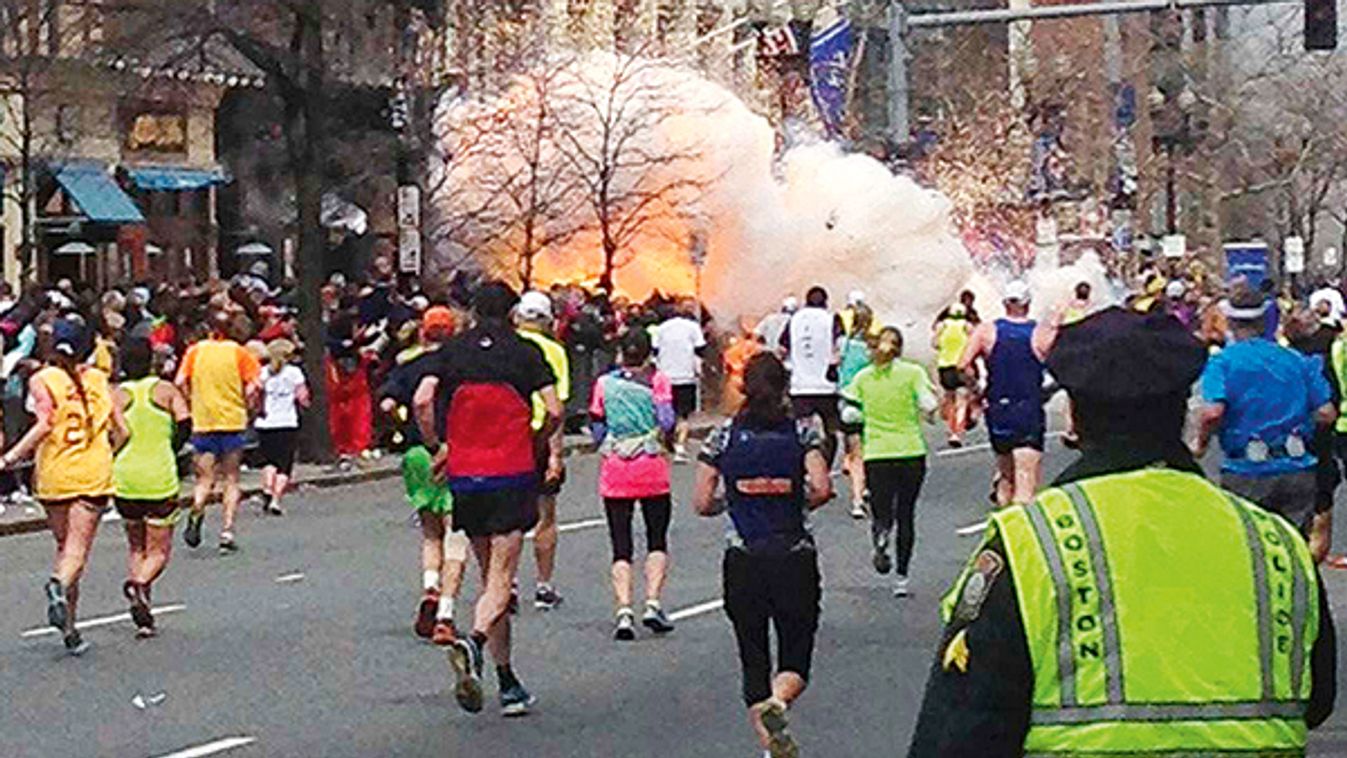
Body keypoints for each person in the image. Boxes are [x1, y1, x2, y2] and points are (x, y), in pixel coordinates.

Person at [908, 306, 1336, 756]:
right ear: (1180, 410)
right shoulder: (1275, 542)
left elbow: (960, 728)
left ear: (1075, 414)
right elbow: (1317, 697)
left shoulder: (1031, 542)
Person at [413, 282, 562, 718]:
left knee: (487, 578)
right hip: (511, 471)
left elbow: (423, 399)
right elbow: (553, 411)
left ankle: (508, 680)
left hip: (466, 474)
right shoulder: (525, 352)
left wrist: (438, 444)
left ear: (474, 312)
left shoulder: (452, 351)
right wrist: (535, 441)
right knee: (503, 579)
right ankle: (474, 643)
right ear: (513, 313)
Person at [693, 352, 833, 758]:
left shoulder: (722, 436)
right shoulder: (803, 433)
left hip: (743, 558)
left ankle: (771, 745)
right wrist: (797, 500)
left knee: (753, 656)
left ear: (743, 388)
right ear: (784, 388)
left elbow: (702, 501)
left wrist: (733, 500)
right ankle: (779, 703)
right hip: (793, 554)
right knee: (795, 657)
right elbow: (821, 487)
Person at [0, 318, 127, 655]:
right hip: (91, 473)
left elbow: (43, 424)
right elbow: (123, 431)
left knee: (64, 548)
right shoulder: (100, 379)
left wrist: (10, 457)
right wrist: (109, 453)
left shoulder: (42, 379)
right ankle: (58, 588)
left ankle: (70, 628)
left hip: (54, 472)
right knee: (76, 551)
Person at [1196, 285, 1336, 539]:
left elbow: (1213, 413)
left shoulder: (1223, 362)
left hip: (1246, 470)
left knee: (1252, 548)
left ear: (1230, 321)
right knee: (1296, 547)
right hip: (1296, 465)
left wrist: (1201, 443)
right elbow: (1326, 413)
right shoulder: (1297, 359)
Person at [380, 306, 467, 646]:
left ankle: (430, 586)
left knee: (430, 533)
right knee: (455, 533)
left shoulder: (408, 365)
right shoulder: (460, 366)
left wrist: (400, 425)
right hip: (452, 452)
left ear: (423, 332)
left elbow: (387, 403)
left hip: (416, 453)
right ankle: (445, 614)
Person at [590, 329, 678, 640]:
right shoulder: (657, 381)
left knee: (621, 544)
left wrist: (610, 442)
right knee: (656, 538)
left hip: (616, 469)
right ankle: (652, 603)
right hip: (651, 466)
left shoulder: (604, 384)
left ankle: (624, 610)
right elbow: (667, 420)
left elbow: (596, 421)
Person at [842, 327, 937, 598]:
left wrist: (860, 418)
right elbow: (928, 403)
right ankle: (902, 578)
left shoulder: (864, 378)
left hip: (878, 454)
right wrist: (930, 412)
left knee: (882, 510)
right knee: (906, 513)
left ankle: (881, 535)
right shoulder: (913, 373)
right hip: (910, 451)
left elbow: (849, 411)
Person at [112, 338, 190, 639]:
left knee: (136, 545)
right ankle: (140, 585)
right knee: (158, 551)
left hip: (125, 477)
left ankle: (144, 612)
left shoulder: (116, 394)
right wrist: (171, 447)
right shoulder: (165, 390)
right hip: (158, 475)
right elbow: (185, 424)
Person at [958, 281, 1057, 506]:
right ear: (1028, 303)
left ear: (1004, 303)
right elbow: (1061, 369)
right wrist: (1048, 391)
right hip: (1028, 407)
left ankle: (1003, 523)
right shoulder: (1042, 333)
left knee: (1005, 476)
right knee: (1025, 479)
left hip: (998, 407)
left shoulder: (986, 330)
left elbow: (963, 364)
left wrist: (977, 388)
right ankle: (1020, 532)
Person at [176, 310, 262, 553]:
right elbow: (255, 386)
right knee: (231, 478)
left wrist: (191, 400)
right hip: (232, 421)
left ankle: (197, 507)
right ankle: (227, 530)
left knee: (204, 477)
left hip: (203, 421)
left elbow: (180, 381)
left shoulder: (195, 351)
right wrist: (249, 405)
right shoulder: (240, 353)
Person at [515, 291, 569, 612]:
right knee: (545, 514)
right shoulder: (555, 352)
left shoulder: (507, 346)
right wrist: (556, 454)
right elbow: (556, 408)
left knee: (508, 516)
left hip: (509, 437)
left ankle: (506, 582)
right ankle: (544, 586)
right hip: (541, 435)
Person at [780, 286, 844, 467]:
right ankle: (827, 467)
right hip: (827, 386)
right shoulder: (832, 319)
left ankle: (802, 466)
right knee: (830, 429)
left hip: (800, 385)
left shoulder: (794, 320)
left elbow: (782, 348)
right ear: (825, 302)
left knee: (800, 429)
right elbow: (839, 349)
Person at [254, 339, 309, 516]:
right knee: (284, 464)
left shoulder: (263, 372)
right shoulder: (294, 373)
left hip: (265, 422)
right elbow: (302, 397)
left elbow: (255, 394)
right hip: (287, 422)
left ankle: (267, 488)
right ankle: (276, 500)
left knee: (268, 460)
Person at [653, 297, 706, 463]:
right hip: (686, 376)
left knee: (664, 412)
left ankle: (662, 445)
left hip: (664, 377)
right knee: (683, 415)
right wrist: (698, 369)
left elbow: (654, 352)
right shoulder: (692, 328)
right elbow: (700, 350)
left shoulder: (661, 329)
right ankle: (680, 448)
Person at [837, 304, 873, 517]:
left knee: (855, 452)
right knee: (868, 452)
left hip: (846, 404)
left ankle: (857, 500)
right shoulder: (871, 348)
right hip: (867, 405)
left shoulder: (843, 345)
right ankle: (866, 487)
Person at [931, 302, 972, 448]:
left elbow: (935, 344)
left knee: (950, 397)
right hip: (962, 366)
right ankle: (958, 433)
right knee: (962, 400)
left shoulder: (942, 326)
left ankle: (950, 428)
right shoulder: (966, 326)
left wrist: (945, 346)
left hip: (945, 365)